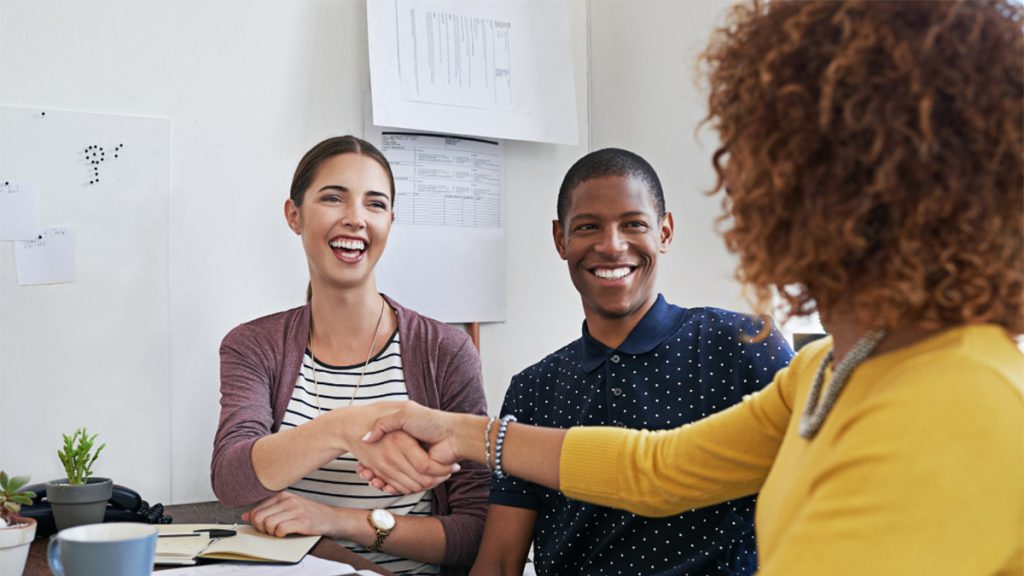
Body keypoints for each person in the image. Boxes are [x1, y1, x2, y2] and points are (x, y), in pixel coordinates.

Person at [358, 2, 1024, 574]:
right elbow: (659, 470)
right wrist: (455, 430)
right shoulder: (829, 367)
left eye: (772, 155)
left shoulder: (960, 399)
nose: (738, 182)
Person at [469, 148, 792, 576]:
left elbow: (814, 504)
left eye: (633, 224)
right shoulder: (534, 388)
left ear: (665, 231)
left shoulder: (743, 347)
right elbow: (501, 561)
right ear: (561, 240)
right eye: (588, 227)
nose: (611, 245)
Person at [211, 135, 487, 576]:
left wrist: (340, 522)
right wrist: (342, 429)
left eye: (375, 204)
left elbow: (473, 534)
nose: (356, 218)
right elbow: (231, 479)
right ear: (294, 215)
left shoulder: (444, 350)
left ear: (391, 221)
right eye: (333, 198)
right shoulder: (253, 345)